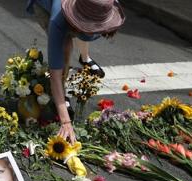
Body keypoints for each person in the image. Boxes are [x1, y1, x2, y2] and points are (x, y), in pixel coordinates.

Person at [27, 0, 126, 144]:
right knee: (65, 48)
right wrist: (66, 122)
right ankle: (61, 95)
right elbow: (54, 75)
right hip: (45, 5)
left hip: (83, 12)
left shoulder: (105, 4)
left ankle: (83, 57)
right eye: (85, 26)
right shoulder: (57, 20)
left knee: (81, 35)